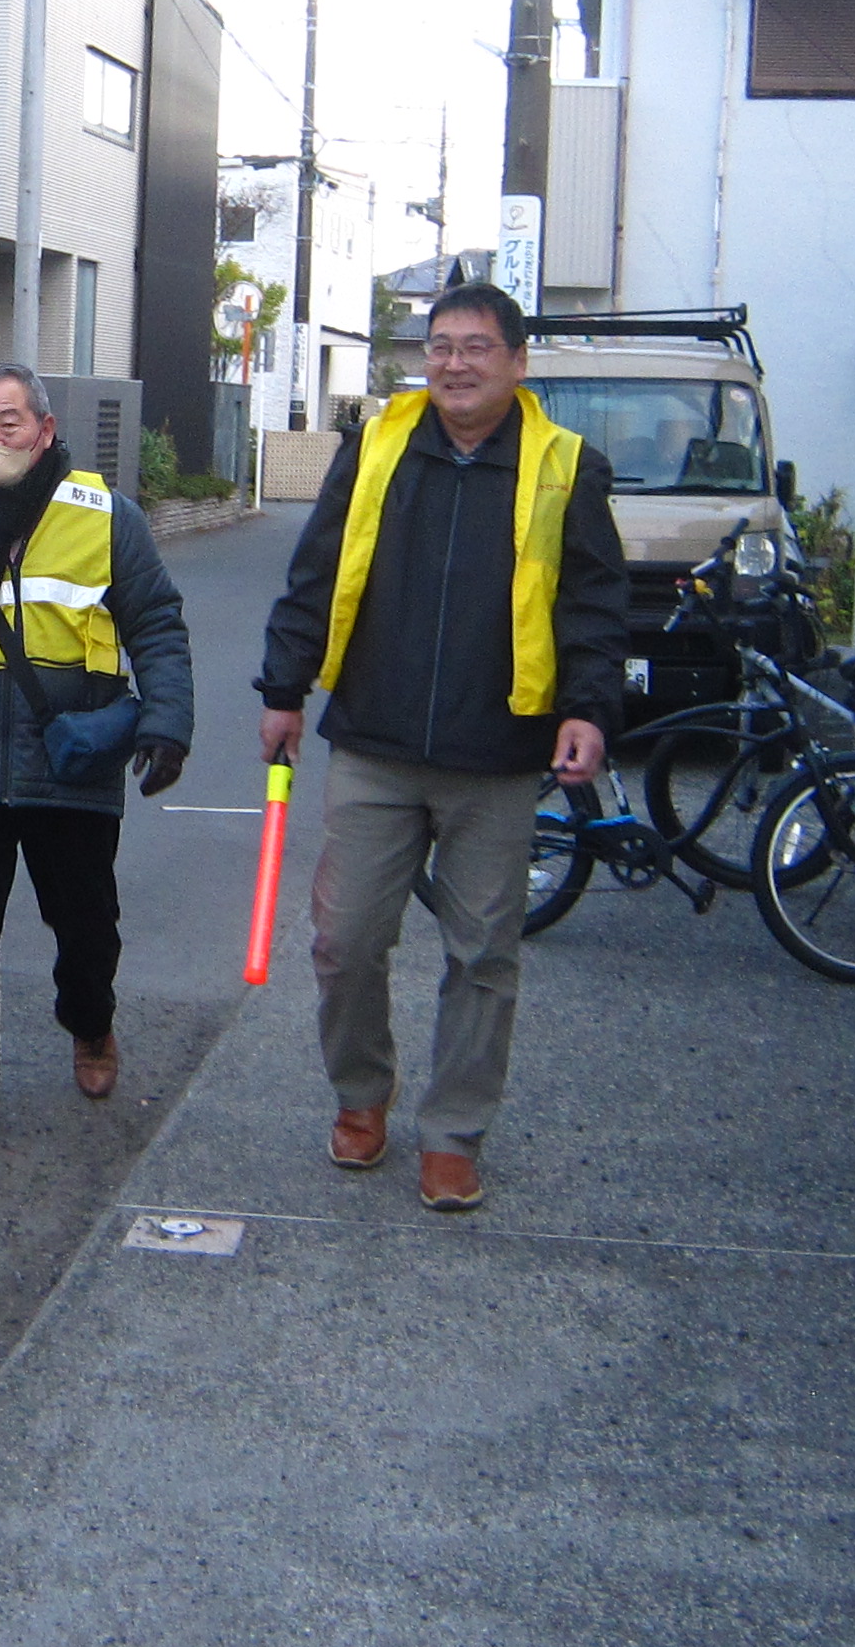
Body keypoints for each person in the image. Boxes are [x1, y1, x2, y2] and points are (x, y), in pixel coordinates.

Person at [253, 280, 627, 1210]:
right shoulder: (377, 446)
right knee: (344, 940)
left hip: (497, 754)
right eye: (441, 347)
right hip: (374, 742)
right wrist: (284, 689)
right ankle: (361, 1096)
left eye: (476, 347)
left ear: (518, 362)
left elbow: (592, 602)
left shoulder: (567, 467)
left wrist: (588, 709)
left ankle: (453, 1134)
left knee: (484, 954)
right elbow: (317, 569)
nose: (454, 365)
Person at [0, 365, 196, 1144]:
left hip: (73, 757)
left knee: (86, 927)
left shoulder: (106, 516)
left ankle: (90, 1022)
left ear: (46, 430)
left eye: (9, 422)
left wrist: (166, 724)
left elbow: (156, 624)